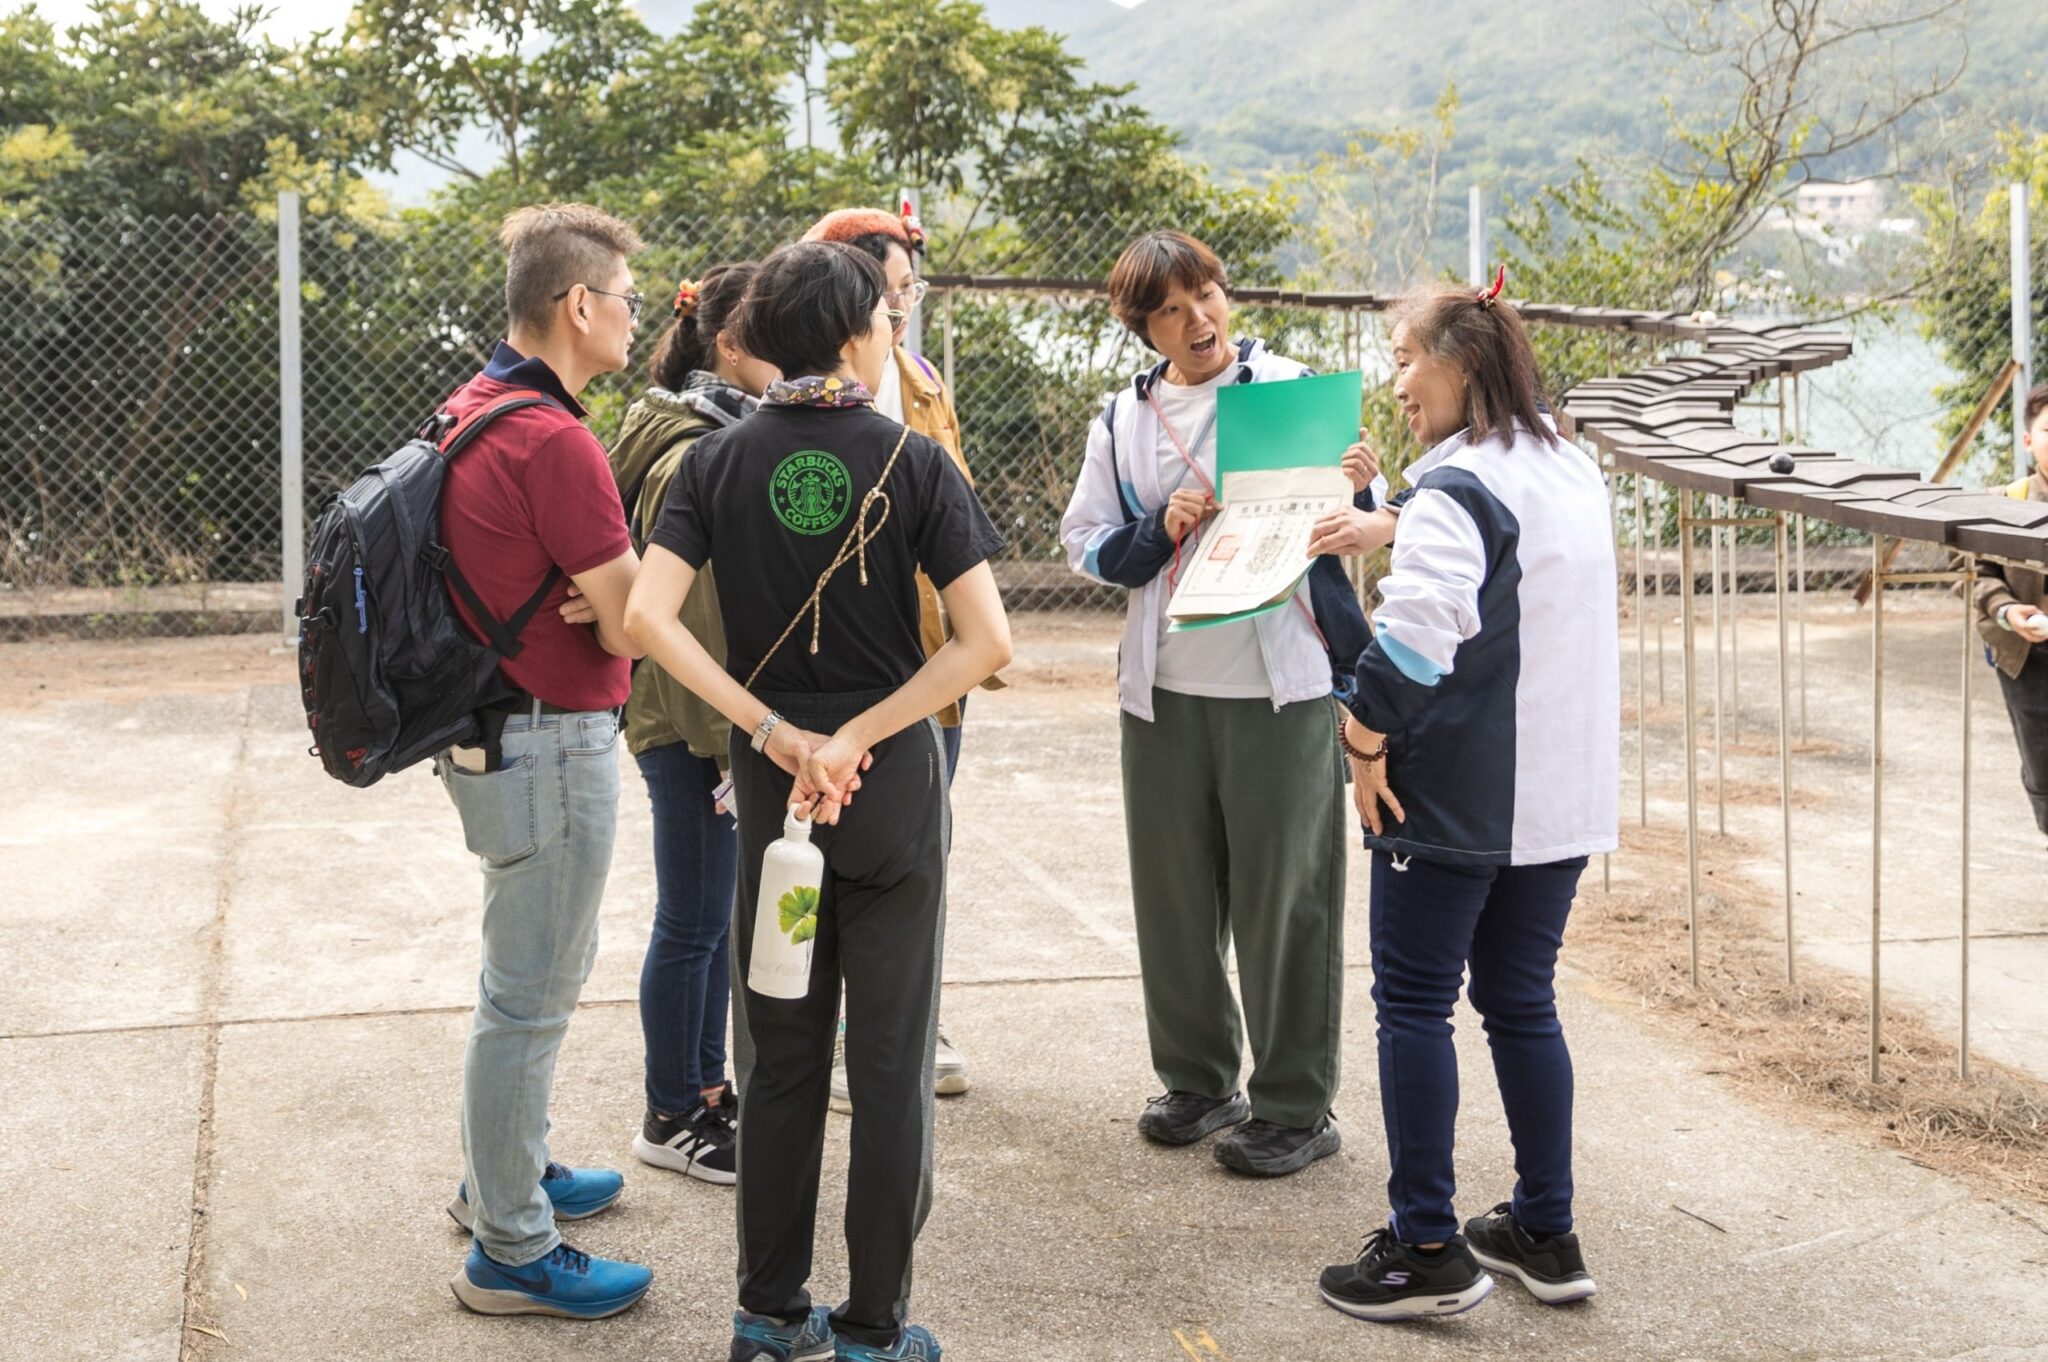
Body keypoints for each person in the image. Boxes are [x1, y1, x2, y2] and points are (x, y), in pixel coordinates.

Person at [623, 240, 1012, 1362]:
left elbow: (645, 622)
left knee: (779, 1056)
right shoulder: (915, 463)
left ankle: (765, 1317)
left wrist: (774, 731)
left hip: (773, 796)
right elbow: (987, 641)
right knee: (888, 1067)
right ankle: (875, 1329)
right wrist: (857, 734)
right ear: (856, 335)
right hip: (886, 798)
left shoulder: (713, 464)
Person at [1315, 274, 1616, 1323]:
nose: (1394, 383)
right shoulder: (1570, 466)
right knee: (1520, 1001)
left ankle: (1425, 1248)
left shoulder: (1454, 489)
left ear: (1461, 364)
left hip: (1450, 801)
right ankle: (1543, 1227)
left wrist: (1359, 736)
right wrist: (1386, 521)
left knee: (1412, 1005)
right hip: (1559, 797)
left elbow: (1414, 638)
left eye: (1404, 359)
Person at [1058, 229, 1381, 1178]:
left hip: (1279, 683)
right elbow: (1085, 541)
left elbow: (1363, 521)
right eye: (1170, 308)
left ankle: (1295, 1103)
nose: (1197, 319)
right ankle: (1199, 1080)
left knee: (1288, 898)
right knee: (1174, 895)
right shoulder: (1124, 417)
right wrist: (1157, 529)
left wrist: (1358, 488)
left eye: (1207, 295)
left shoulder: (1292, 390)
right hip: (1163, 688)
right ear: (1142, 325)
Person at [436, 203, 655, 1320]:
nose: (634, 315)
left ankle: (501, 1179)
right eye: (624, 297)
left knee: (515, 982)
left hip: (490, 739)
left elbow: (597, 600)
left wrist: (607, 592)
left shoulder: (472, 407)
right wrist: (624, 596)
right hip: (551, 742)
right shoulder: (557, 438)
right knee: (529, 999)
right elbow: (624, 627)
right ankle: (511, 1250)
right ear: (578, 305)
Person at [801, 204, 992, 1108]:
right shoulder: (779, 387)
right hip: (821, 669)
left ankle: (911, 1017)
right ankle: (826, 1029)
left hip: (927, 666)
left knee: (919, 847)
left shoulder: (920, 383)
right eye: (890, 293)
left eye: (911, 292)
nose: (902, 311)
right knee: (820, 852)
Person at [608, 262, 778, 1186]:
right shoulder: (696, 452)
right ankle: (673, 1109)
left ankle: (704, 1092)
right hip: (692, 726)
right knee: (693, 919)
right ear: (730, 346)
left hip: (688, 719)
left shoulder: (694, 427)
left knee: (708, 917)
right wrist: (730, 744)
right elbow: (698, 613)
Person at [1972, 383, 2048, 843]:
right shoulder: (2005, 502)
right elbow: (1979, 575)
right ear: (2028, 440)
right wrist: (2007, 612)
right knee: (2042, 767)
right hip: (2029, 657)